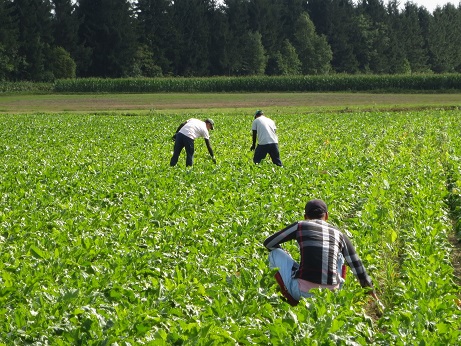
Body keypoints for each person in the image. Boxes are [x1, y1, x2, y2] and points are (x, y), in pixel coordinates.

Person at [263, 199, 382, 307]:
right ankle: (333, 290)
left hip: (302, 292)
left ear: (305, 216)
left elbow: (269, 243)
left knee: (274, 253)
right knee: (339, 255)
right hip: (330, 296)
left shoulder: (300, 225)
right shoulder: (339, 234)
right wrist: (374, 297)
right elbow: (357, 266)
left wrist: (284, 252)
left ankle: (291, 298)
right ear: (326, 216)